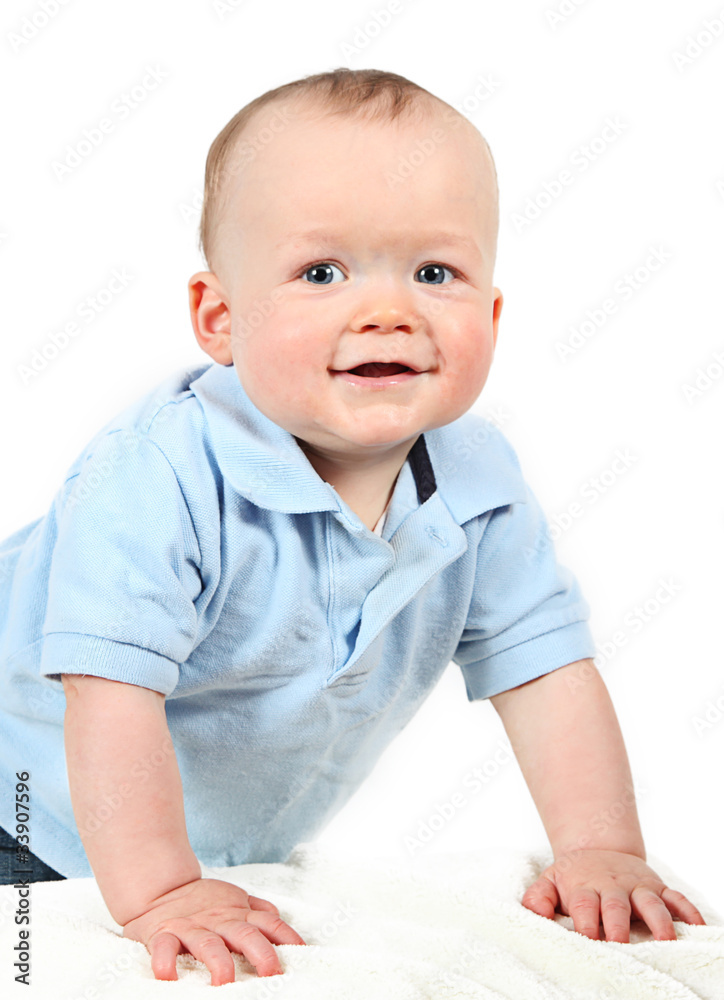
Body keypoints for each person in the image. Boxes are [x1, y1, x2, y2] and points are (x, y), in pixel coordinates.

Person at [0, 67, 706, 987]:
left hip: (216, 847)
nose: (388, 311)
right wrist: (162, 893)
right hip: (22, 798)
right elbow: (110, 693)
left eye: (435, 273)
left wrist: (602, 848)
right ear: (220, 318)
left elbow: (545, 669)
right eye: (321, 273)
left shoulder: (478, 482)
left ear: (493, 314)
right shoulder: (154, 474)